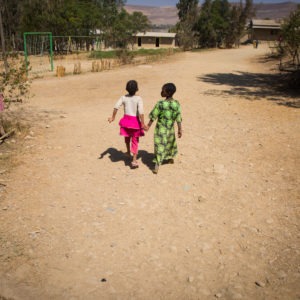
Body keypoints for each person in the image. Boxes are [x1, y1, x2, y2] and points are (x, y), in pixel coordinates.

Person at [145, 83, 182, 174]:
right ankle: (170, 159)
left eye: (163, 90)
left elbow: (153, 116)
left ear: (168, 92)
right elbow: (178, 117)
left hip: (160, 130)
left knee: (160, 146)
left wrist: (148, 126)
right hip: (170, 129)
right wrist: (180, 129)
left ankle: (157, 165)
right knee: (170, 144)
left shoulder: (160, 104)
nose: (161, 92)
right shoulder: (176, 104)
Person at [108, 80, 145, 169]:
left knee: (127, 137)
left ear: (126, 89)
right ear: (137, 89)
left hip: (126, 121)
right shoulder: (138, 98)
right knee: (135, 141)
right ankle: (134, 160)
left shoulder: (123, 97)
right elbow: (141, 112)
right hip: (135, 122)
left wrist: (113, 117)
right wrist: (142, 123)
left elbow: (116, 107)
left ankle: (128, 152)